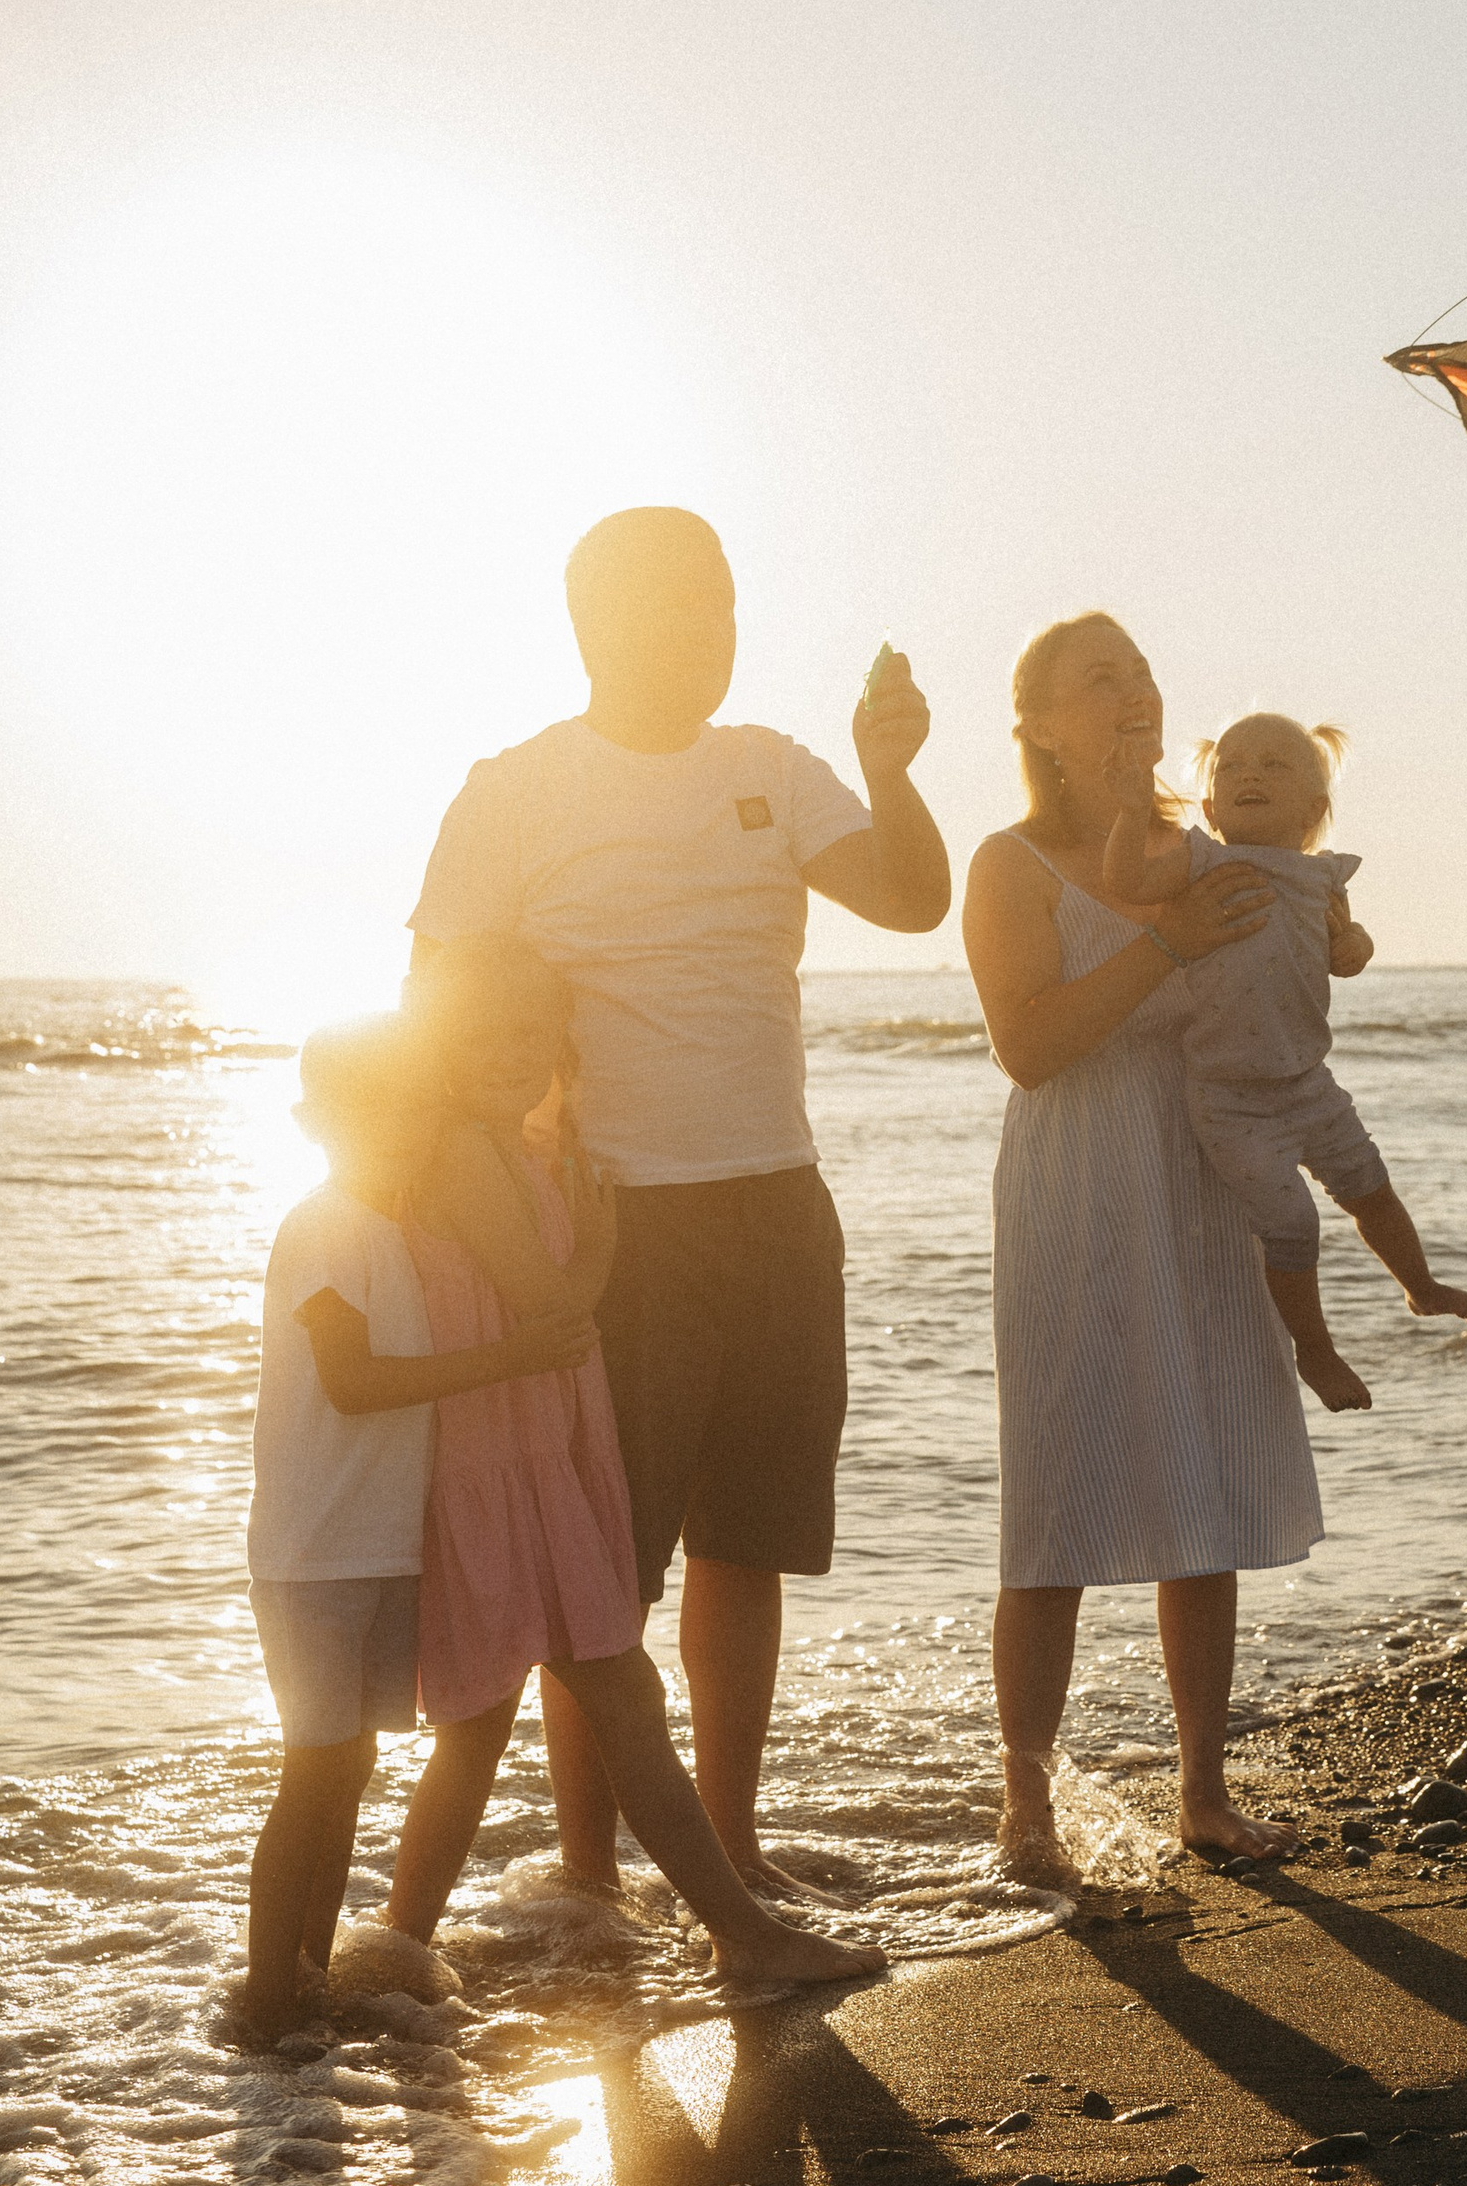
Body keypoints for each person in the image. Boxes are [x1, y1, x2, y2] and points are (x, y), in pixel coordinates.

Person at [407, 506, 948, 1898]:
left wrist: (892, 769)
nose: (708, 632)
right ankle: (589, 1881)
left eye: (720, 602)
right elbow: (433, 1014)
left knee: (746, 1549)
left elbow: (909, 897)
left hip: (777, 1205)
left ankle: (731, 1845)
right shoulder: (515, 788)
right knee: (606, 1580)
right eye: (675, 606)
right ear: (593, 624)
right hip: (612, 1228)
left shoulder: (771, 765)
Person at [963, 613, 1441, 1880]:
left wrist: (1331, 949)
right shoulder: (1009, 862)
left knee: (1214, 1478)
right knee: (1054, 1498)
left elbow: (1296, 971)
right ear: (1040, 726)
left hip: (1202, 1170)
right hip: (1075, 1184)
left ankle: (1203, 1791)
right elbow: (1028, 1043)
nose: (1131, 694)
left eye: (1142, 674)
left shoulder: (1205, 845)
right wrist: (1167, 943)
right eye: (1098, 680)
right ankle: (1025, 1802)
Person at [383, 938, 885, 1990]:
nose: (510, 1051)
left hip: (522, 1459)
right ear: (437, 1046)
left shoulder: (510, 1147)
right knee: (603, 1691)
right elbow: (551, 1305)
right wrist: (611, 1241)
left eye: (531, 1032)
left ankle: (392, 1955)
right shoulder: (468, 1154)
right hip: (508, 1471)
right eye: (483, 1034)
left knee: (484, 1726)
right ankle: (739, 1933)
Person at [240, 1011, 592, 2045]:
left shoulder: (391, 1228)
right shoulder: (322, 1223)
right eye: (368, 1110)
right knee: (313, 1770)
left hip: (379, 1543)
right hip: (313, 1554)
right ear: (312, 1121)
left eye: (411, 1107)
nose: (395, 1126)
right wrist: (514, 1356)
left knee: (346, 1768)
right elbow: (351, 1382)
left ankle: (310, 1971)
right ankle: (267, 2001)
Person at [1101, 711, 1467, 1412]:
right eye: (1233, 766)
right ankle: (1315, 1349)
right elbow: (1127, 878)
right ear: (1211, 807)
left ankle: (1421, 1286)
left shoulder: (1322, 880)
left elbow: (1348, 942)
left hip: (1310, 1085)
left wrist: (1354, 949)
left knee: (1370, 1185)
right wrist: (1132, 814)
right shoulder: (1204, 861)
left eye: (1274, 764)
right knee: (1294, 1224)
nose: (1250, 773)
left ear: (1313, 811)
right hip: (1230, 1099)